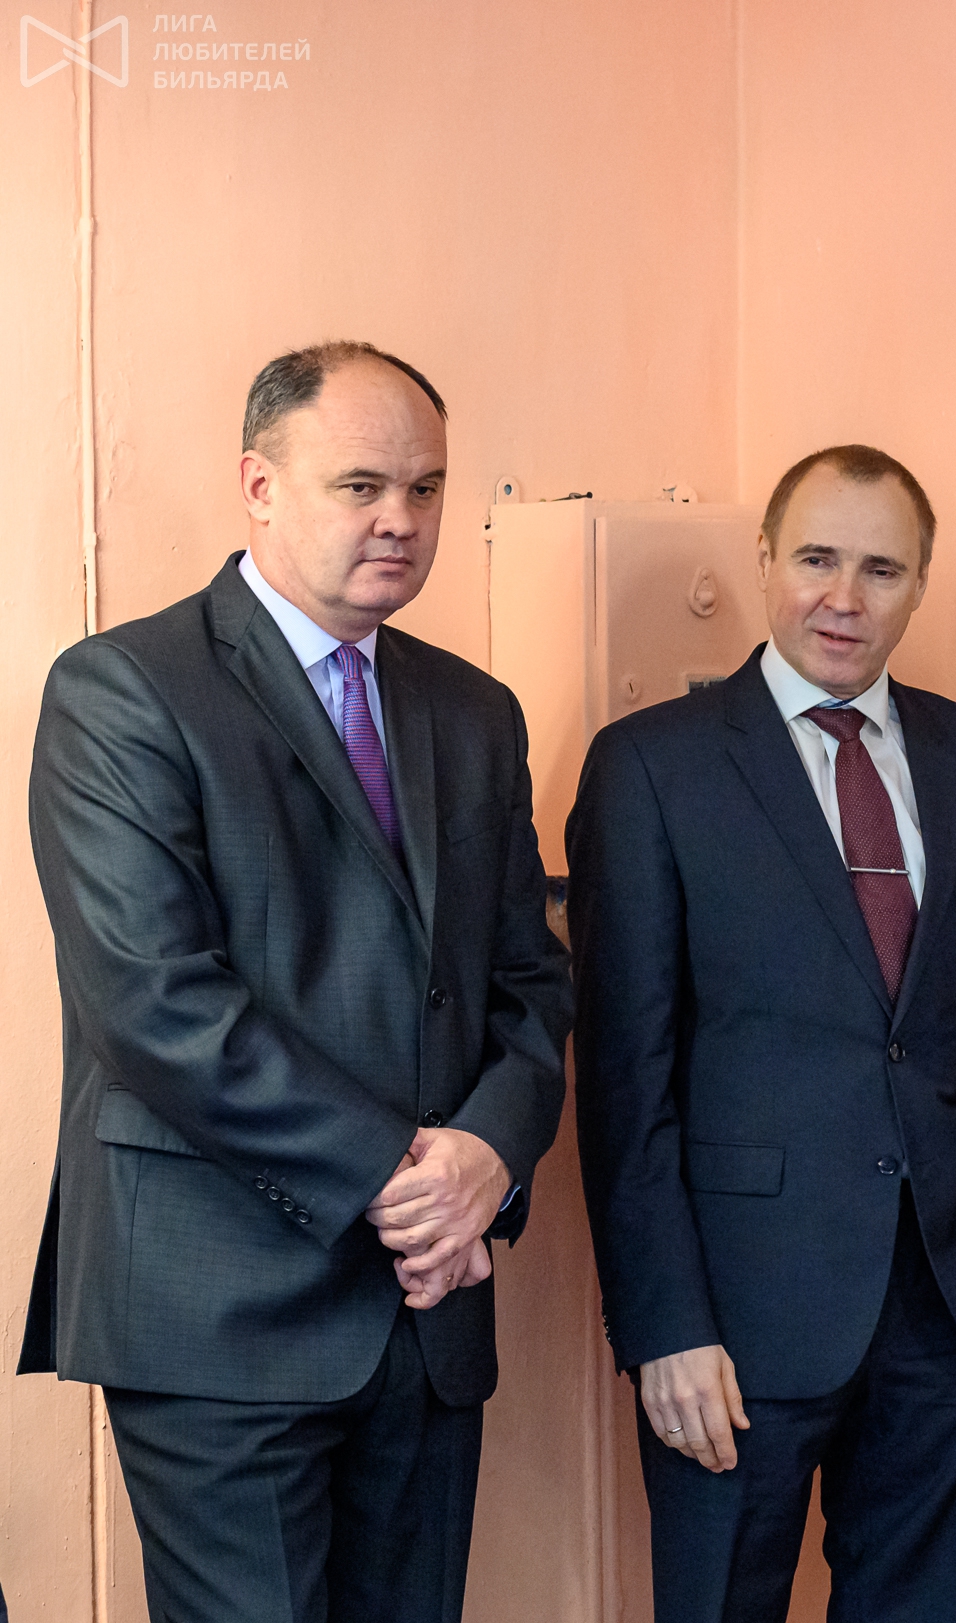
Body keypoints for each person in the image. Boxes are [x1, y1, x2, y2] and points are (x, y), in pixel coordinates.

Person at [19, 341, 574, 1622]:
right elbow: (157, 1005)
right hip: (219, 1314)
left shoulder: (474, 713)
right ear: (259, 487)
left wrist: (490, 1156)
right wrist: (405, 1182)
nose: (402, 519)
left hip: (425, 1315)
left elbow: (533, 981)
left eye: (427, 488)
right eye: (361, 485)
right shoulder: (122, 691)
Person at [568, 444, 956, 1623]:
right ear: (765, 562)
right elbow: (626, 1080)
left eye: (882, 570)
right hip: (737, 1320)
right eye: (817, 560)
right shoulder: (652, 768)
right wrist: (665, 1324)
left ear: (920, 584)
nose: (845, 598)